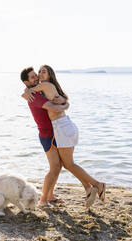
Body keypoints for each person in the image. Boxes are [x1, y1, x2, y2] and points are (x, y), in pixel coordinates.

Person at [20, 65, 106, 208]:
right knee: (58, 166)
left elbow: (59, 99)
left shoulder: (40, 89)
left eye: (38, 74)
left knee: (63, 165)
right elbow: (53, 107)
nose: (36, 77)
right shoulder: (34, 96)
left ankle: (53, 195)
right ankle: (44, 199)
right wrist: (65, 105)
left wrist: (65, 103)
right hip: (48, 134)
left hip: (58, 131)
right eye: (33, 76)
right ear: (26, 82)